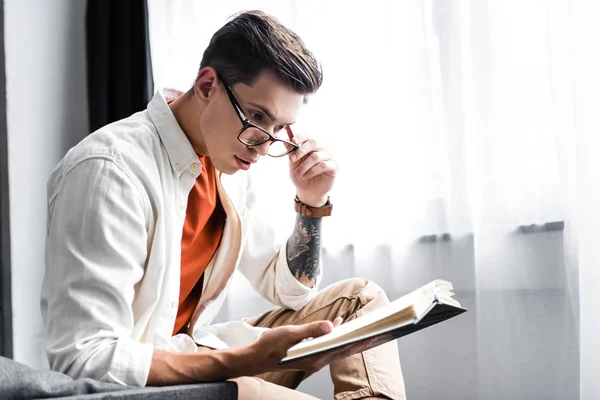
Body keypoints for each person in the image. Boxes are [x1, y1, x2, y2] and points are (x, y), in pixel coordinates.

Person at [41, 10, 406, 400]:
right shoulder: (111, 170)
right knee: (246, 384)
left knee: (363, 302)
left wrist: (311, 202)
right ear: (207, 84)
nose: (266, 146)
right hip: (142, 388)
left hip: (201, 355)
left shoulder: (228, 162)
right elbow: (83, 357)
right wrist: (242, 361)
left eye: (279, 127)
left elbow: (288, 289)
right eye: (256, 115)